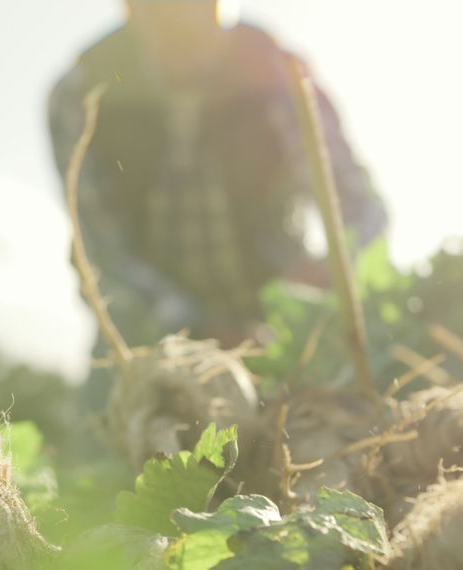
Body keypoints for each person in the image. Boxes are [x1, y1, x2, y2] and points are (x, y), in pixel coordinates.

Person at [48, 0, 387, 350]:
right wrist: (195, 332)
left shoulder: (277, 72)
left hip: (285, 330)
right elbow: (102, 254)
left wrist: (334, 270)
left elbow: (360, 204)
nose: (183, 19)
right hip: (146, 337)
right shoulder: (82, 93)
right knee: (118, 390)